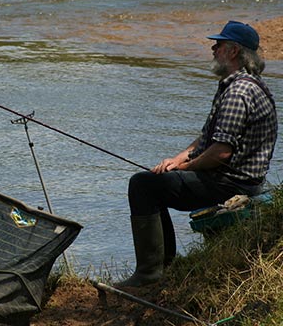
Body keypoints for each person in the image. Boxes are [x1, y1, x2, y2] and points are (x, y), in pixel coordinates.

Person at [116, 20, 278, 288]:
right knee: (154, 181)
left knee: (142, 185)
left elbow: (220, 153)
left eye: (219, 44)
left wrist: (185, 169)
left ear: (234, 51)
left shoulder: (238, 92)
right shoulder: (246, 84)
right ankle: (164, 266)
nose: (213, 49)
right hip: (234, 177)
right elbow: (208, 137)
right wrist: (178, 159)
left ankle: (149, 273)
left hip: (231, 183)